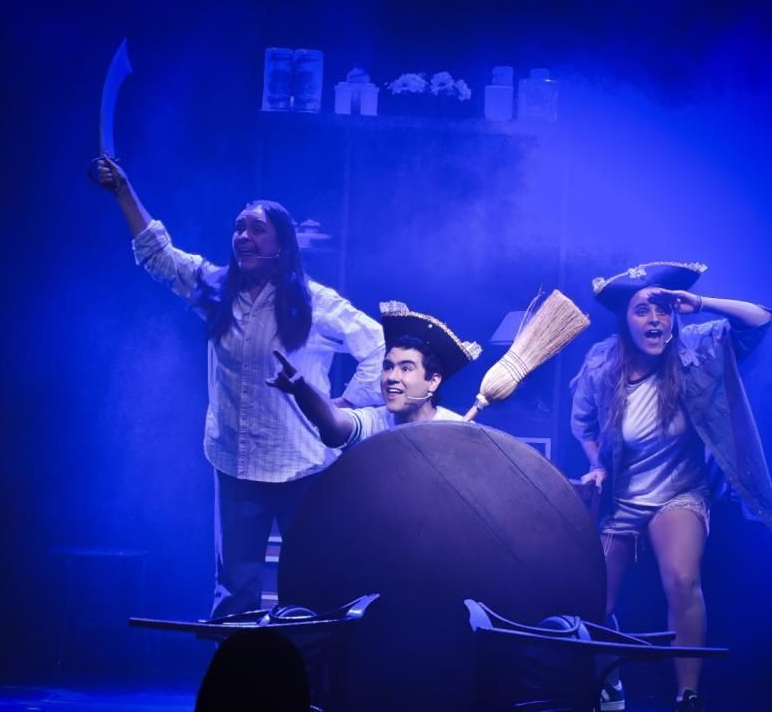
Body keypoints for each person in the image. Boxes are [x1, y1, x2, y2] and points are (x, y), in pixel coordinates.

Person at [93, 156, 385, 618]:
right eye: (239, 228)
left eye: (257, 230)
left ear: (281, 245)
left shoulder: (313, 301)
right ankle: (236, 663)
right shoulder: (216, 288)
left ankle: (308, 663)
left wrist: (344, 406)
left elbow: (377, 345)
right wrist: (124, 191)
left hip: (301, 465)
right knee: (235, 589)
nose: (244, 237)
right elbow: (159, 256)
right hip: (235, 461)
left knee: (310, 584)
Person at [570, 261, 772, 712]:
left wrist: (699, 302)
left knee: (683, 580)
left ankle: (687, 695)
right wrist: (596, 464)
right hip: (622, 497)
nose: (654, 319)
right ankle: (609, 683)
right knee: (594, 596)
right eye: (642, 310)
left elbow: (761, 319)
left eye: (662, 310)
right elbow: (583, 425)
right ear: (626, 320)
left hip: (680, 490)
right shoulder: (603, 364)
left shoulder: (696, 349)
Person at [268, 300, 481, 447]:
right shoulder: (373, 422)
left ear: (433, 381)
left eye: (406, 368)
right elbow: (334, 423)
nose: (391, 377)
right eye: (388, 367)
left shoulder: (460, 430)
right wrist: (302, 390)